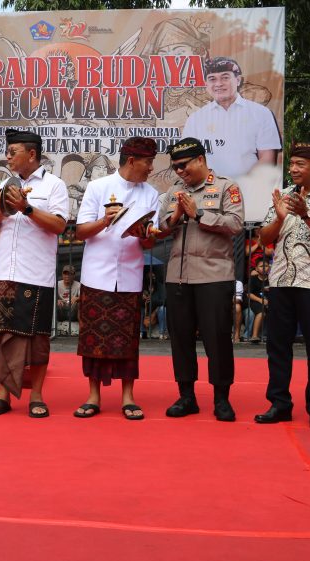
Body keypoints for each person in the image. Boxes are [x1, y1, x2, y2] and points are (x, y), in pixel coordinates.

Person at [254, 142, 310, 430]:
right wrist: (281, 218)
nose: (293, 169)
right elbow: (264, 238)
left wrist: (306, 214)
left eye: (300, 164)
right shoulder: (282, 194)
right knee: (277, 346)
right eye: (291, 163)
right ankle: (279, 403)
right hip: (281, 280)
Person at [0, 128, 69, 417]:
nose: (7, 157)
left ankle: (37, 396)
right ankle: (2, 395)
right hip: (4, 269)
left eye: (12, 152)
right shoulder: (5, 185)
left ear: (31, 154)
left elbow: (59, 226)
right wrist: (5, 208)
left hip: (36, 273)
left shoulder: (54, 185)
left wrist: (27, 208)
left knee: (37, 338)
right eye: (7, 152)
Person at [74, 137, 160, 420]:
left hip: (131, 274)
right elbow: (80, 231)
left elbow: (150, 241)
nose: (151, 168)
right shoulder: (98, 188)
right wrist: (104, 221)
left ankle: (128, 397)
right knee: (94, 338)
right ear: (132, 160)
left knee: (127, 340)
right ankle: (93, 396)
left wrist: (147, 236)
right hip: (97, 273)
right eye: (148, 162)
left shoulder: (151, 194)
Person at [160, 137, 244, 421]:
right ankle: (186, 397)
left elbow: (235, 224)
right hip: (178, 276)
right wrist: (176, 218)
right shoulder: (173, 191)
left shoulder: (225, 187)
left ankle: (222, 398)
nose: (180, 172)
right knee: (180, 338)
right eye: (175, 167)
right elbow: (160, 227)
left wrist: (199, 215)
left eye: (183, 165)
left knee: (217, 338)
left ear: (200, 160)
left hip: (214, 275)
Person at [182, 57, 282, 179]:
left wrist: (240, 186)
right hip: (206, 191)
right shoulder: (195, 119)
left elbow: (267, 159)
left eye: (225, 77)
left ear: (238, 80)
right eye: (212, 79)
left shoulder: (261, 113)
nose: (218, 84)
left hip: (249, 190)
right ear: (206, 84)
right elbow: (187, 159)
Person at [246, 258, 270, 343]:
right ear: (256, 268)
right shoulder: (253, 279)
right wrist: (261, 300)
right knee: (261, 312)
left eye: (266, 266)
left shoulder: (271, 279)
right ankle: (255, 335)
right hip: (256, 301)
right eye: (261, 266)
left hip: (269, 302)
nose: (264, 268)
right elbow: (249, 294)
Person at [56, 264, 81, 334]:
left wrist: (77, 298)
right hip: (61, 310)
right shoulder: (57, 284)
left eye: (70, 274)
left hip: (72, 311)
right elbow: (50, 295)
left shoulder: (78, 285)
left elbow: (84, 297)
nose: (67, 276)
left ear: (74, 275)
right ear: (62, 274)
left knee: (80, 303)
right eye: (65, 274)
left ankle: (81, 326)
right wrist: (56, 300)